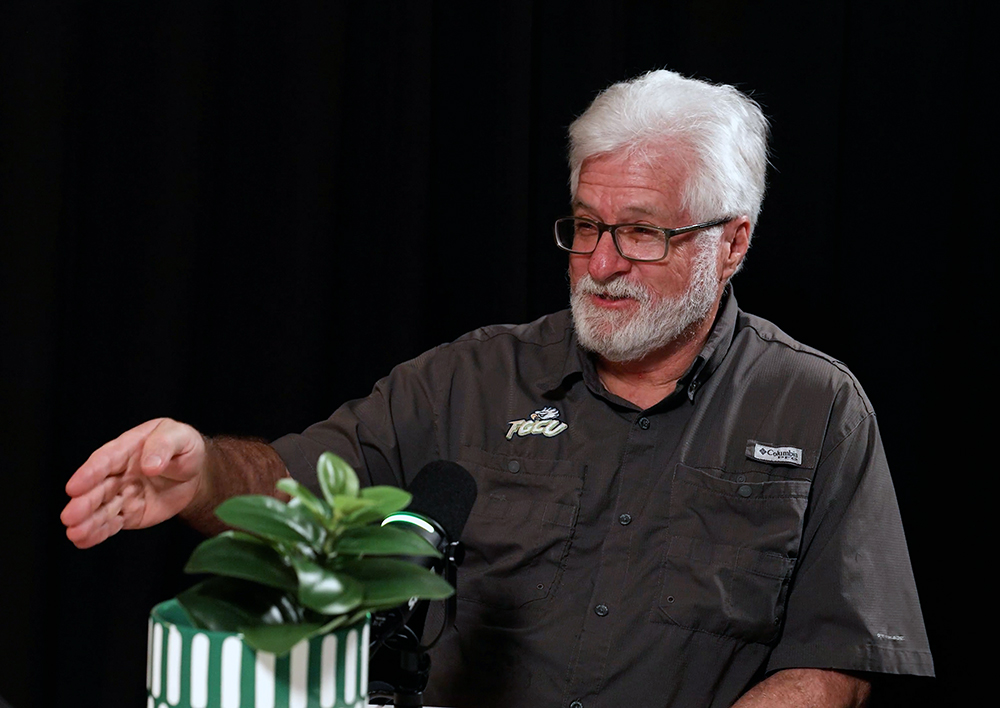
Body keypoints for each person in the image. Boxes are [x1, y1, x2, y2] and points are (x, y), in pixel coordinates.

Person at [61, 69, 933, 707]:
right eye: (586, 226)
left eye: (640, 234)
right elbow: (301, 497)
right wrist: (203, 475)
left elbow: (832, 666)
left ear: (731, 244)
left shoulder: (815, 408)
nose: (598, 263)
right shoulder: (466, 379)